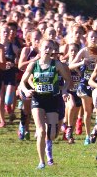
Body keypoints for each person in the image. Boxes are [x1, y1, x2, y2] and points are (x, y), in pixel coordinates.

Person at [19, 39, 72, 169]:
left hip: (52, 100)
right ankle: (41, 162)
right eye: (45, 47)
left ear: (53, 50)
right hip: (38, 99)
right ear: (40, 48)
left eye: (50, 48)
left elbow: (67, 80)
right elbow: (22, 82)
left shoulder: (57, 64)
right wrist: (26, 90)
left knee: (52, 134)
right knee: (41, 131)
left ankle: (47, 139)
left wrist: (64, 90)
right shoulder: (33, 65)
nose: (47, 50)